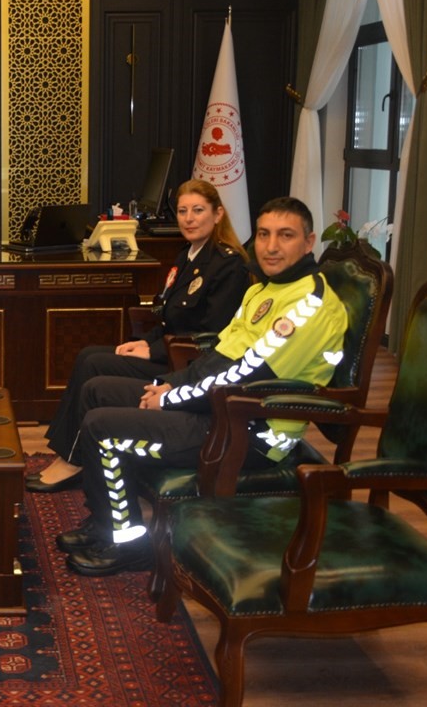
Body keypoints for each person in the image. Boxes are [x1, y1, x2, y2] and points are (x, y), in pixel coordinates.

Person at [57, 197, 348, 576]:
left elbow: (245, 377)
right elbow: (218, 358)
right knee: (98, 390)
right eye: (263, 234)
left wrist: (172, 399)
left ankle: (128, 542)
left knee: (102, 429)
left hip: (252, 429)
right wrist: (167, 383)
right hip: (219, 407)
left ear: (309, 243)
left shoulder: (308, 305)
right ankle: (103, 522)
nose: (271, 246)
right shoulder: (265, 289)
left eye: (285, 235)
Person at [29, 179, 249, 492]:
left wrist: (155, 351)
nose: (188, 218)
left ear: (218, 214)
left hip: (185, 366)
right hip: (166, 350)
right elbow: (169, 316)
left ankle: (74, 459)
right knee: (89, 354)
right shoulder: (186, 256)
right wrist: (145, 341)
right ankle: (70, 452)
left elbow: (210, 334)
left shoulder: (228, 265)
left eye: (198, 210)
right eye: (183, 211)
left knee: (94, 365)